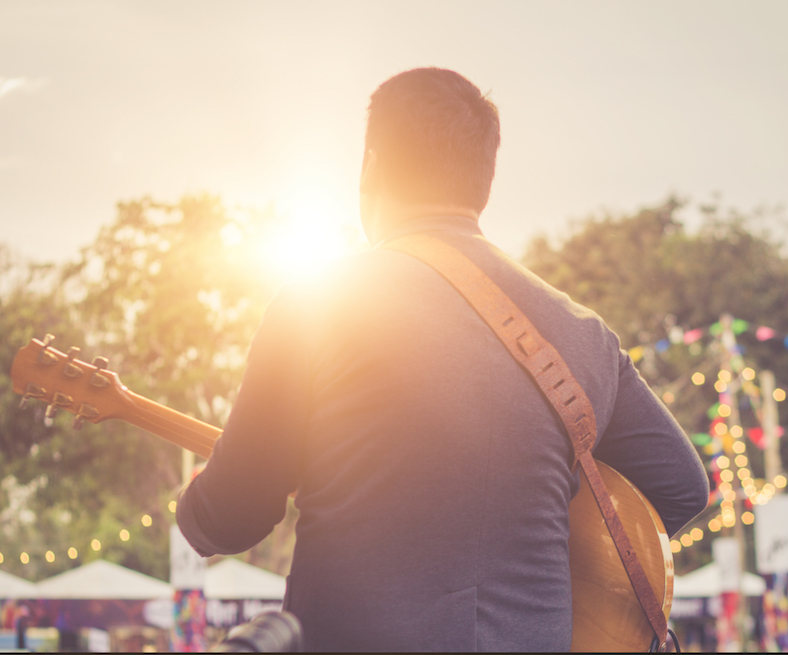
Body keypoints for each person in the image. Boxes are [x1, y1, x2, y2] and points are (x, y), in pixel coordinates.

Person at [177, 67, 709, 652]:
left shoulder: (318, 301)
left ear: (371, 167)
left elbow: (231, 518)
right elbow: (682, 488)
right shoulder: (584, 335)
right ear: (483, 181)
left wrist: (196, 501)